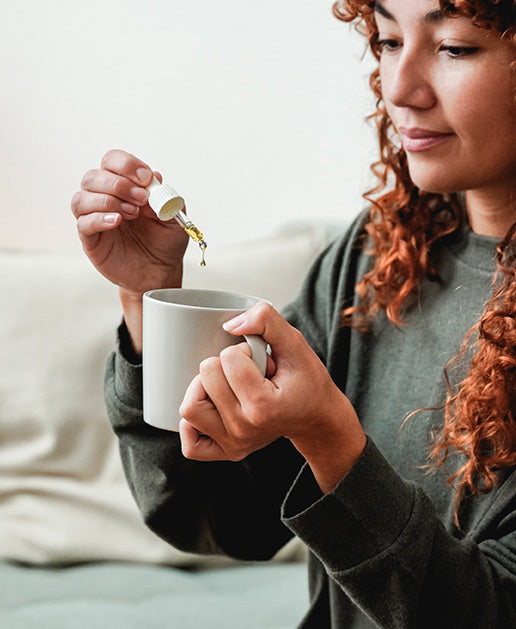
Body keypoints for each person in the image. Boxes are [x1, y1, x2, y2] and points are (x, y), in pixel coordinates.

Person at [71, 0, 516, 626]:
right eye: (388, 41)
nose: (400, 88)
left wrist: (332, 441)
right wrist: (151, 298)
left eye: (455, 48)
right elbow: (223, 522)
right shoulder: (377, 256)